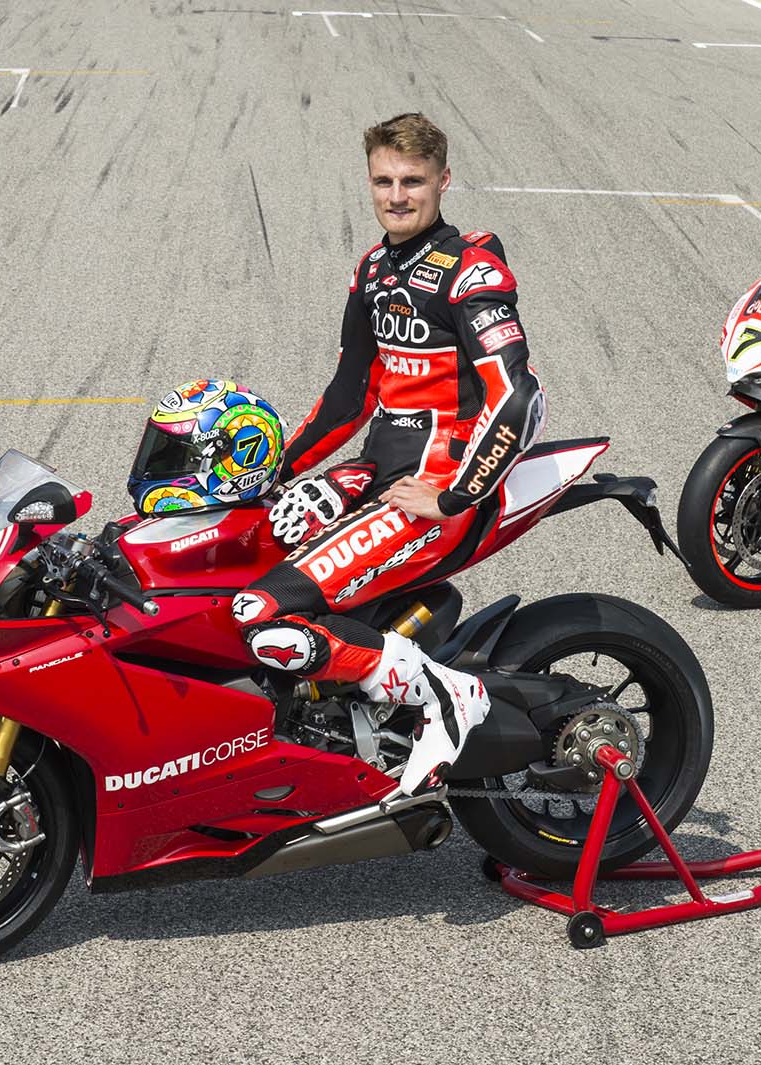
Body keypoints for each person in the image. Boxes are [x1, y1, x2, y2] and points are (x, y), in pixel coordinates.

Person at [233, 112, 545, 796]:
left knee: (262, 612)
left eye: (413, 181)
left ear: (442, 181)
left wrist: (453, 496)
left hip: (437, 485)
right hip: (378, 471)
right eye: (384, 181)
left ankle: (448, 698)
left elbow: (519, 397)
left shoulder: (471, 273)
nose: (397, 196)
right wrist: (268, 474)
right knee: (235, 548)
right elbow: (348, 397)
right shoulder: (374, 269)